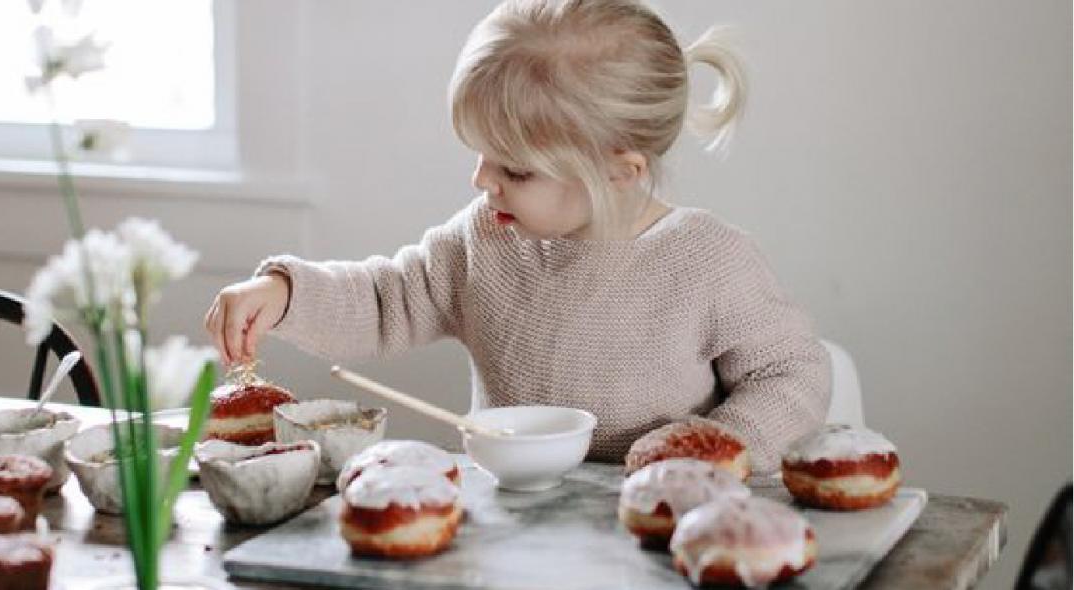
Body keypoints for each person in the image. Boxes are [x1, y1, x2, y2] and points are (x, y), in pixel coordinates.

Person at [204, 0, 830, 473]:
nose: (482, 181)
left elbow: (790, 375)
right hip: (507, 528)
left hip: (661, 530)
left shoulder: (708, 261)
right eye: (481, 156)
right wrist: (284, 293)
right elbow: (385, 300)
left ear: (620, 172)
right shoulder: (487, 238)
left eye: (515, 169)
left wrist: (719, 449)